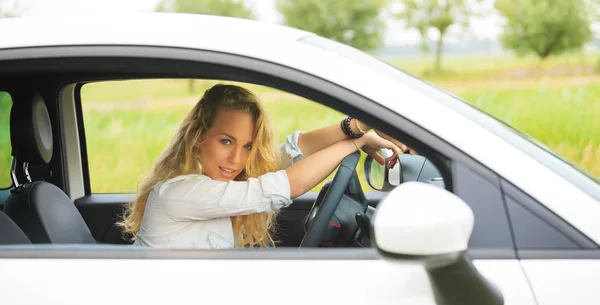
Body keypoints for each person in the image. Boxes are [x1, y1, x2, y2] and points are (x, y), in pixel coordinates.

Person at [118, 84, 406, 249]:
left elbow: (293, 152)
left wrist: (355, 127)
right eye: (226, 141)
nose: (236, 160)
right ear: (198, 137)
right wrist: (353, 143)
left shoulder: (221, 182)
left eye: (247, 146)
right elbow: (286, 185)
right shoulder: (178, 193)